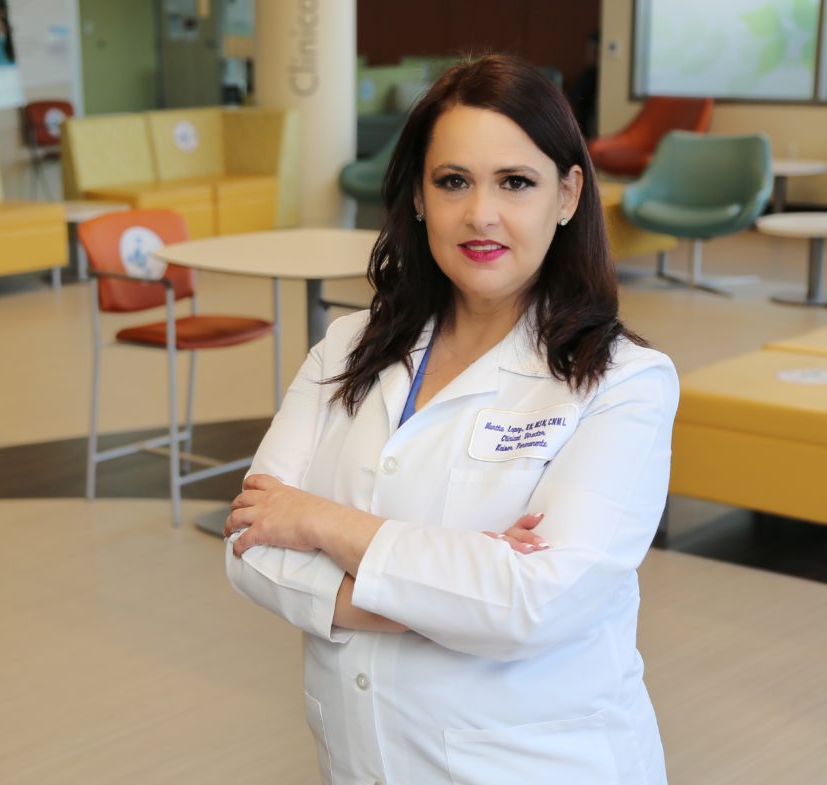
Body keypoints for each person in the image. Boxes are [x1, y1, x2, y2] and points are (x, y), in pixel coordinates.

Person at [224, 54, 677, 785]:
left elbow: (530, 605)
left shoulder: (624, 383)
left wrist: (317, 521)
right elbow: (249, 542)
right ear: (416, 198)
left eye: (516, 183)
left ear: (566, 195)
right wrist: (455, 588)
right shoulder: (348, 347)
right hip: (364, 757)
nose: (481, 215)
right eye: (453, 181)